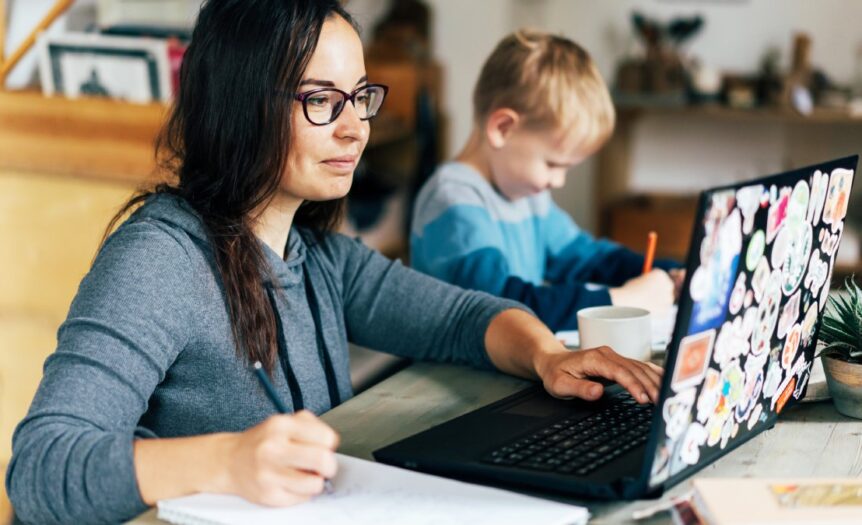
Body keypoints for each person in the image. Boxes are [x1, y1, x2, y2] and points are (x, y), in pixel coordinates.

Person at [5, 3, 663, 523]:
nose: (355, 128)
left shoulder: (318, 256)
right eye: (322, 100)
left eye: (359, 97)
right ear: (242, 106)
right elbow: (38, 471)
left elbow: (460, 316)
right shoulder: (157, 259)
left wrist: (547, 355)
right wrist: (227, 459)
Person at [410, 30, 684, 332]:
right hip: (450, 374)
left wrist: (669, 272)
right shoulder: (453, 201)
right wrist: (618, 300)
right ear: (503, 128)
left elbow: (587, 258)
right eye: (553, 164)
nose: (559, 181)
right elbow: (504, 307)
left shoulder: (526, 195)